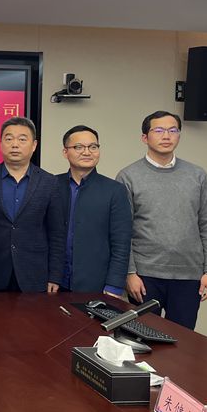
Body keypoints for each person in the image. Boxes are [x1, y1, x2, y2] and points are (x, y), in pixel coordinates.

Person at [116, 110, 207, 330]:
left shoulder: (197, 175)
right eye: (159, 130)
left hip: (188, 275)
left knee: (183, 341)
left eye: (173, 130)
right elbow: (122, 230)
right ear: (145, 137)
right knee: (142, 337)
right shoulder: (128, 176)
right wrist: (130, 273)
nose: (166, 136)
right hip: (145, 275)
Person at [0, 116, 64, 293]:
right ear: (0, 144)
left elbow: (56, 233)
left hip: (34, 274)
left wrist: (55, 275)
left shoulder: (49, 182)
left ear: (34, 145)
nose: (15, 145)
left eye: (22, 139)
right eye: (9, 139)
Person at [56, 125, 131, 294]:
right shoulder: (52, 185)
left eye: (93, 147)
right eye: (79, 147)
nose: (87, 152)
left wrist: (114, 285)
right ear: (65, 152)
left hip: (97, 284)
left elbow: (121, 243)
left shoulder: (114, 190)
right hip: (54, 283)